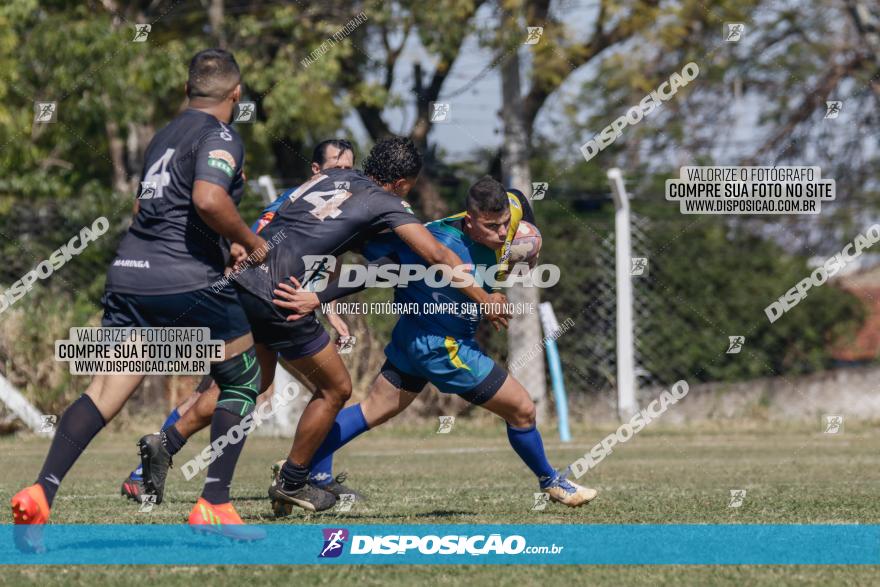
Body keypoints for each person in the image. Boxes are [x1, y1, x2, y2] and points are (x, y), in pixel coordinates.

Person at [137, 137, 510, 514]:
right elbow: (437, 254)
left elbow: (301, 225)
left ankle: (165, 443)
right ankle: (293, 480)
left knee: (252, 384)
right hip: (281, 294)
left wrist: (321, 295)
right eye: (409, 189)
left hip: (245, 279)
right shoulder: (388, 203)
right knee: (336, 388)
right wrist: (486, 298)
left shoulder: (334, 177)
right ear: (401, 185)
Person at [11, 49, 269, 535]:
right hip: (186, 277)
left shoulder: (164, 136)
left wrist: (215, 241)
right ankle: (215, 502)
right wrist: (248, 241)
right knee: (240, 378)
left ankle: (42, 491)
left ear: (186, 91)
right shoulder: (221, 135)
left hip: (130, 271)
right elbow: (208, 199)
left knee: (107, 389)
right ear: (235, 95)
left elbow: (143, 208)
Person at [271, 177, 598, 508]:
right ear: (469, 220)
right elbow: (378, 270)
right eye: (490, 227)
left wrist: (507, 265)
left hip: (413, 339)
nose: (501, 234)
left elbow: (519, 205)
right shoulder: (435, 242)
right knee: (523, 409)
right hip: (442, 347)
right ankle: (552, 482)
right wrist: (319, 296)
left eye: (504, 226)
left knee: (374, 409)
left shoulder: (508, 212)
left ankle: (295, 470)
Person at [120, 139, 355, 502]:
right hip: (249, 299)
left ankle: (158, 454)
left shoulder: (333, 206)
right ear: (315, 170)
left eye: (349, 170)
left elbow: (320, 259)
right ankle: (299, 477)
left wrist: (330, 309)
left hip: (264, 303)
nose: (344, 177)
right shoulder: (292, 202)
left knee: (246, 388)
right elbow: (255, 247)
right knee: (314, 388)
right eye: (337, 168)